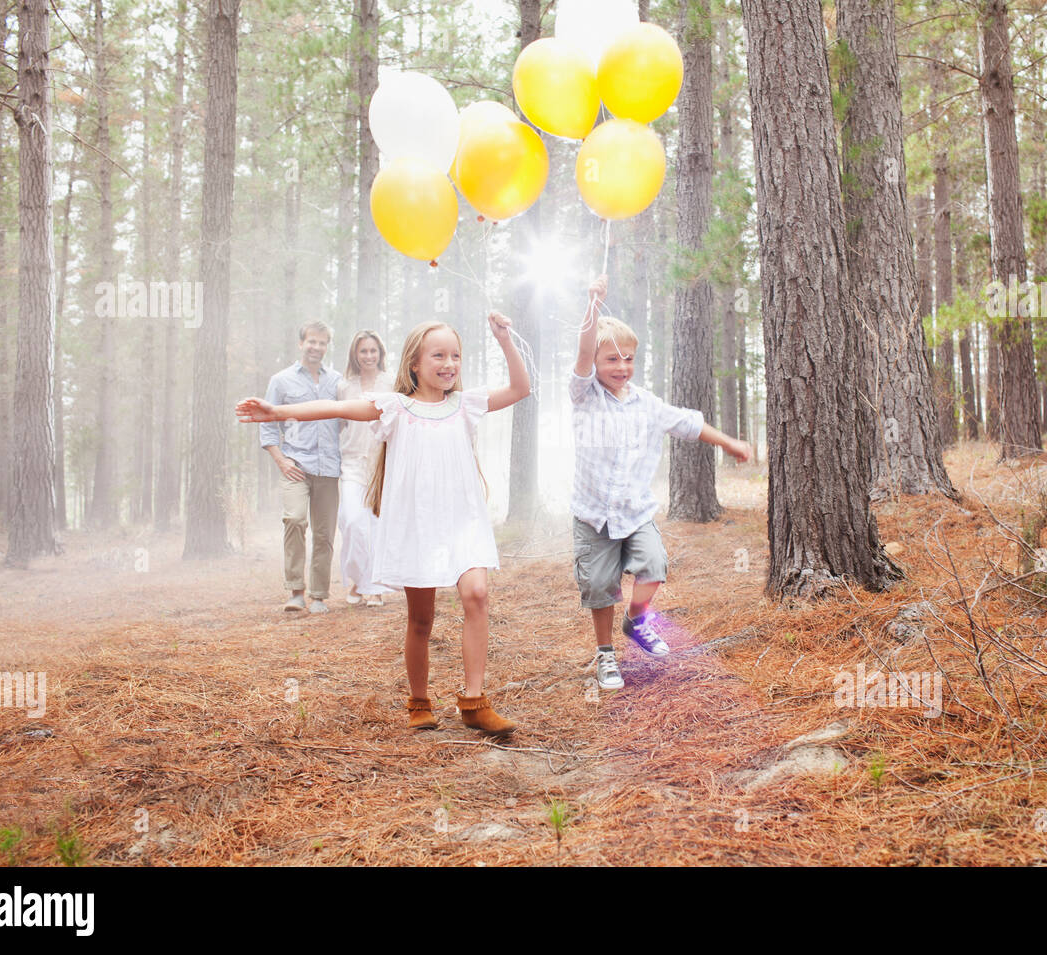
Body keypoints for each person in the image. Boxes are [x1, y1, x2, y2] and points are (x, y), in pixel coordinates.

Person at [236, 311, 530, 736]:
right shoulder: (395, 407)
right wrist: (277, 410)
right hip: (417, 525)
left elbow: (521, 388)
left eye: (456, 356)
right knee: (421, 619)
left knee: (477, 594)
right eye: (438, 355)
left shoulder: (465, 404)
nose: (449, 364)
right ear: (414, 363)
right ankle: (419, 700)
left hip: (463, 520)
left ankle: (473, 701)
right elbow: (336, 406)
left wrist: (504, 340)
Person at [570, 274, 752, 691]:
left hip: (635, 513)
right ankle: (605, 656)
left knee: (653, 565)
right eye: (611, 360)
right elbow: (581, 353)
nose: (622, 367)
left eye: (628, 358)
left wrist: (728, 443)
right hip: (592, 515)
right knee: (600, 587)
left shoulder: (646, 403)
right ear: (595, 365)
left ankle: (636, 621)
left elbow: (689, 424)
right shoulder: (583, 397)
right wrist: (593, 306)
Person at [260, 322, 343, 614]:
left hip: (329, 467)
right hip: (295, 464)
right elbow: (267, 425)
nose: (316, 347)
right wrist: (281, 460)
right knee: (294, 520)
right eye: (311, 341)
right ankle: (296, 592)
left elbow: (346, 421)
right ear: (301, 344)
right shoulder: (281, 381)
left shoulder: (337, 382)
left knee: (324, 533)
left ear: (327, 346)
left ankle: (319, 595)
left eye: (322, 343)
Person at [336, 330, 395, 607]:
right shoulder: (344, 387)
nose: (369, 356)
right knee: (351, 521)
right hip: (351, 464)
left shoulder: (391, 383)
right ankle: (359, 579)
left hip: (381, 463)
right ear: (355, 355)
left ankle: (373, 587)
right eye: (363, 351)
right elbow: (338, 424)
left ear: (380, 354)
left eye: (373, 351)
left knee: (374, 526)